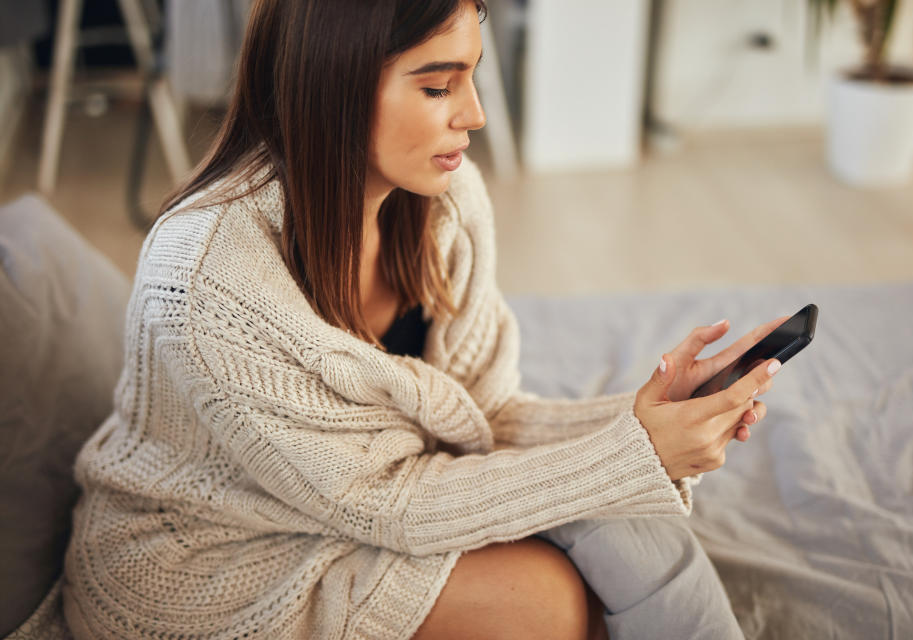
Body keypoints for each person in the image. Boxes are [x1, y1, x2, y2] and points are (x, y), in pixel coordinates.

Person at [62, 1, 785, 638]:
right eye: (438, 85)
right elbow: (381, 501)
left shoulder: (448, 200)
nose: (472, 114)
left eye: (470, 76)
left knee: (625, 528)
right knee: (550, 604)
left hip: (354, 503)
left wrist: (640, 421)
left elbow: (483, 415)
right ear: (331, 81)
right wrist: (630, 456)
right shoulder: (206, 277)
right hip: (213, 555)